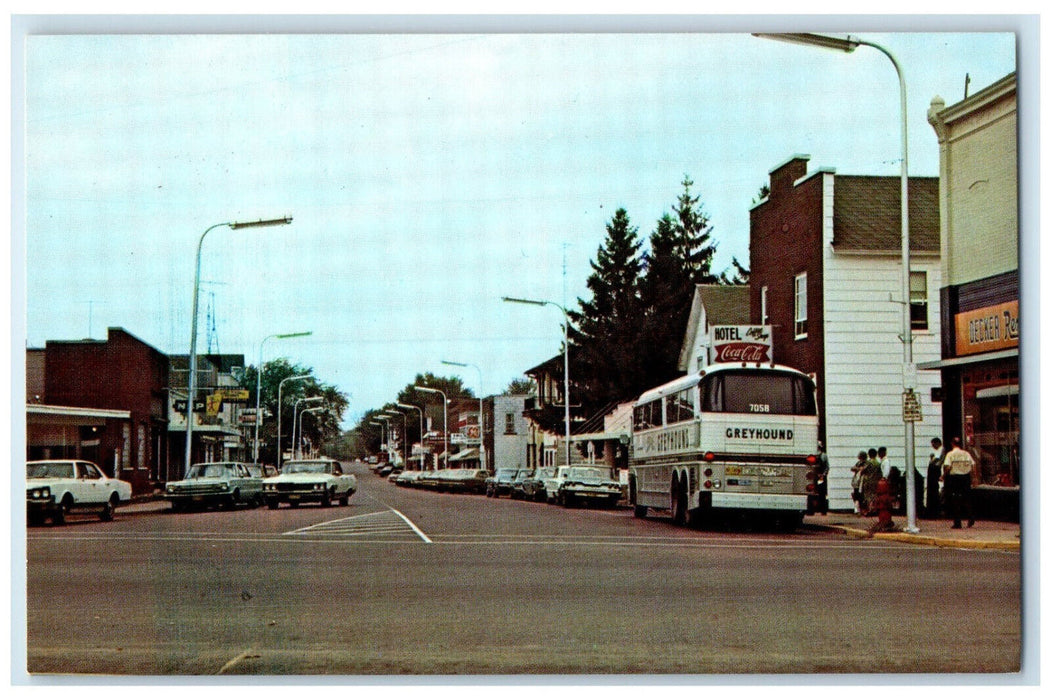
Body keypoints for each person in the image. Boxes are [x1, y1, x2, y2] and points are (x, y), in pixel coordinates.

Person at [942, 437, 976, 529]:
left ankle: (957, 522)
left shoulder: (950, 454)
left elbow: (948, 467)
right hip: (966, 477)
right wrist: (974, 478)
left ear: (952, 444)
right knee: (967, 498)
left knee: (955, 500)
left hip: (955, 478)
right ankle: (971, 517)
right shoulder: (966, 454)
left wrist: (943, 476)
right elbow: (973, 465)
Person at [925, 438, 944, 519]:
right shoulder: (937, 451)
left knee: (934, 492)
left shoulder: (941, 450)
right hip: (934, 473)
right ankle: (932, 511)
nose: (933, 447)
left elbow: (937, 461)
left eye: (933, 445)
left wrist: (932, 461)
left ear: (937, 443)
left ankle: (935, 512)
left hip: (935, 473)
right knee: (932, 492)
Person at [861, 448, 882, 516]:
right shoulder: (878, 463)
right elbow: (880, 473)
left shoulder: (868, 463)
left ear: (869, 454)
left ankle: (870, 510)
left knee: (868, 496)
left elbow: (863, 470)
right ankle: (875, 509)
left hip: (868, 481)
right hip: (876, 481)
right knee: (875, 495)